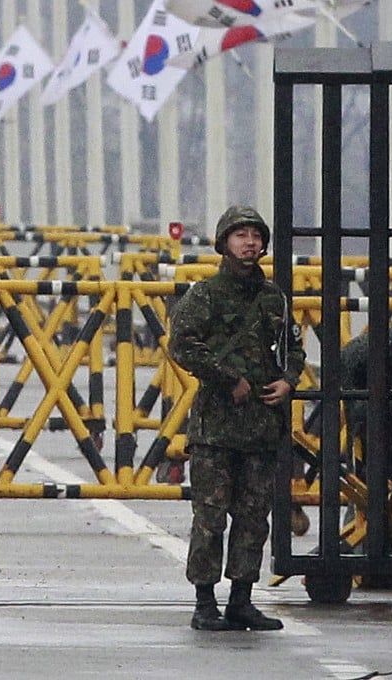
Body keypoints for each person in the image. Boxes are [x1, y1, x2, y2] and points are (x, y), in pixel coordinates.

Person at [169, 205, 306, 631]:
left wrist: (288, 381)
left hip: (261, 427)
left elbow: (293, 348)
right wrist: (228, 379)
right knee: (210, 518)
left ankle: (242, 600)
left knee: (252, 518)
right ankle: (205, 602)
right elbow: (182, 345)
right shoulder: (205, 295)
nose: (250, 243)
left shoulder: (274, 298)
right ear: (224, 243)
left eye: (256, 236)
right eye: (241, 235)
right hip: (215, 428)